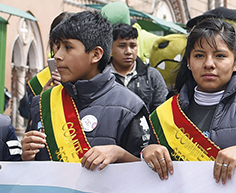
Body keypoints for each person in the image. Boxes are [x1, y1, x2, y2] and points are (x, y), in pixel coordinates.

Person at [140, 18, 236, 184]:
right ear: (188, 61)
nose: (209, 64)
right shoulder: (165, 114)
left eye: (220, 56)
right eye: (199, 55)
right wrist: (147, 153)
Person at [20, 11, 149, 169]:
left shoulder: (130, 107)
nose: (58, 56)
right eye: (57, 47)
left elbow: (146, 176)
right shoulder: (42, 102)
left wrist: (119, 154)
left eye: (68, 47)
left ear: (96, 54)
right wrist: (26, 156)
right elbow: (30, 172)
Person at [110, 23, 169, 114]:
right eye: (122, 46)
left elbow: (161, 111)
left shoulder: (151, 76)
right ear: (110, 48)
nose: (128, 52)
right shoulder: (102, 75)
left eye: (133, 46)